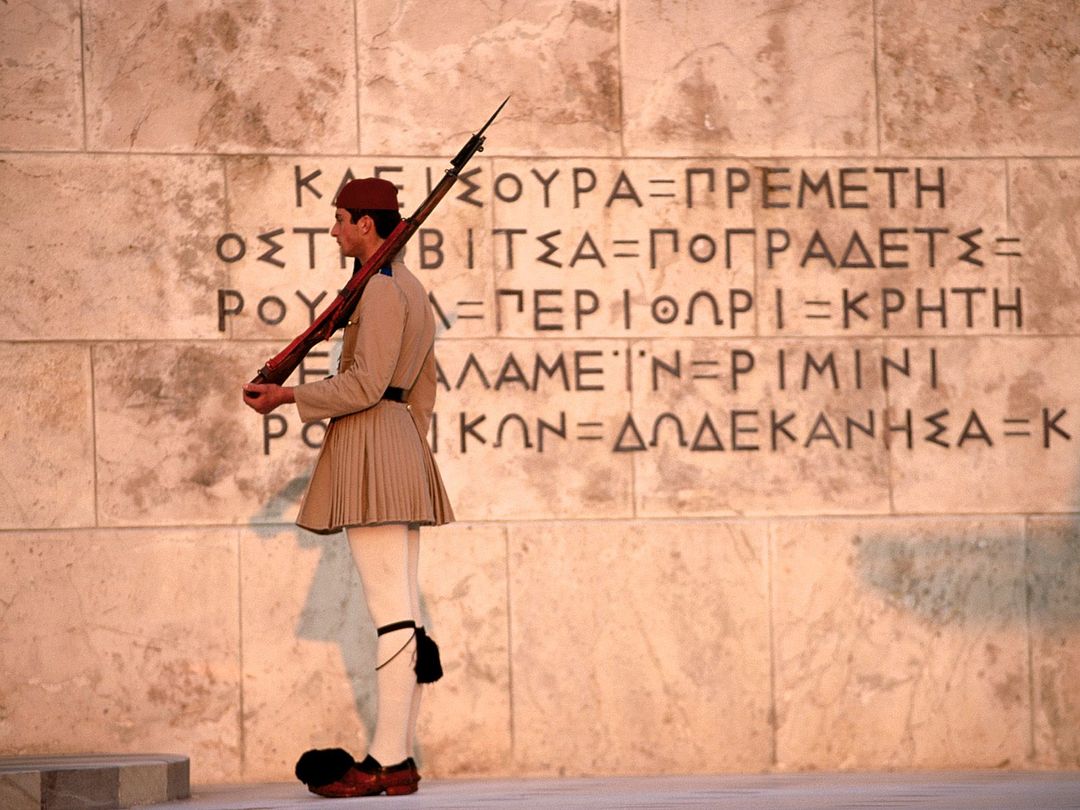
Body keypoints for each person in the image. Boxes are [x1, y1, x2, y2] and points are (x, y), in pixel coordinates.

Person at [243, 177, 454, 798]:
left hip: (374, 444)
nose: (333, 230)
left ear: (368, 224)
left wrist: (287, 394)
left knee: (390, 613)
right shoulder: (409, 288)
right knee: (403, 613)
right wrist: (403, 445)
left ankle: (387, 761)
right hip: (395, 442)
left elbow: (364, 385)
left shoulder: (384, 293)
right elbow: (423, 392)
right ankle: (401, 761)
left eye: (340, 219)